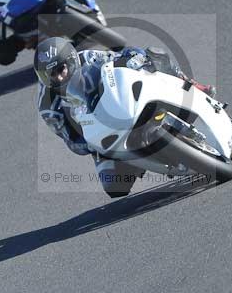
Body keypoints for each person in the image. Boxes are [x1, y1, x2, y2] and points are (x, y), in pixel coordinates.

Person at [34, 37, 216, 198]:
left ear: (70, 60)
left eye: (60, 69)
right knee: (114, 187)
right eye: (49, 75)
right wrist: (92, 143)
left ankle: (193, 87)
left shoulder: (88, 58)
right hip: (101, 134)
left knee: (154, 54)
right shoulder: (47, 106)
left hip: (122, 103)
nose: (57, 78)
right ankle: (150, 160)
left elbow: (123, 56)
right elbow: (71, 141)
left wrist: (137, 59)